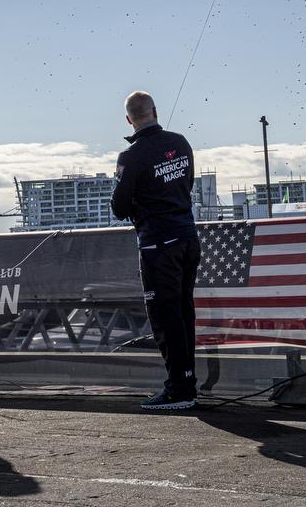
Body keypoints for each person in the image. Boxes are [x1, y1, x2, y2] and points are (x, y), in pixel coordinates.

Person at [110, 91, 200, 410]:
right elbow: (185, 185)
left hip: (158, 245)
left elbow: (119, 207)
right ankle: (187, 381)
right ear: (155, 112)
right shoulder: (181, 142)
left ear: (129, 120)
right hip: (188, 237)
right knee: (183, 312)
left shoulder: (130, 156)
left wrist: (140, 203)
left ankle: (179, 389)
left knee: (165, 316)